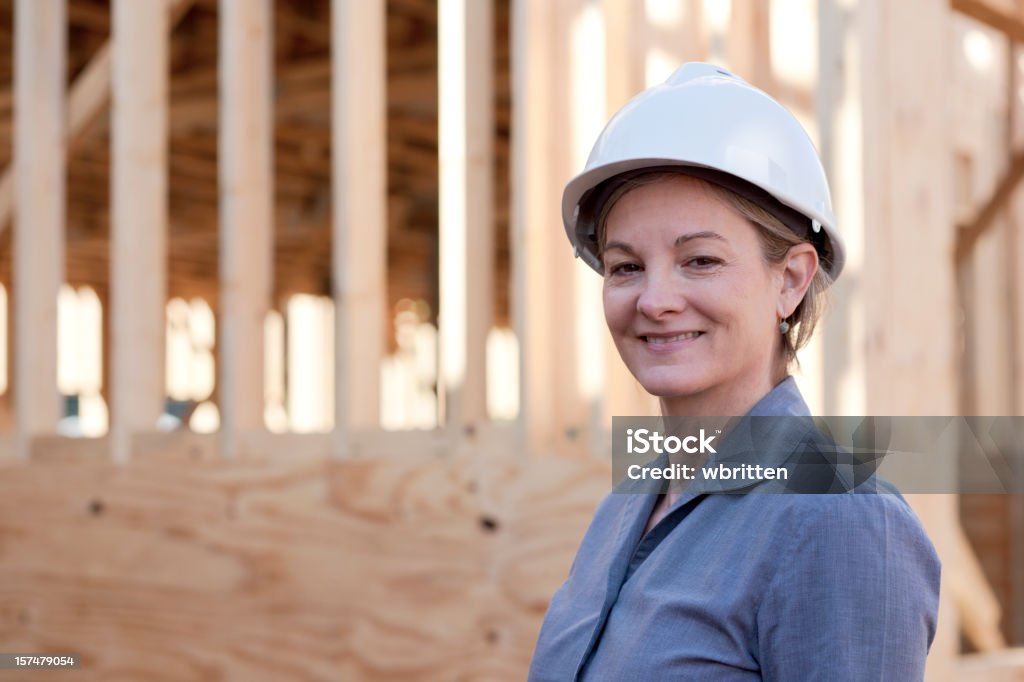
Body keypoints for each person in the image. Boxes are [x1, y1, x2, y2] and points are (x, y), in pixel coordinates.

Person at [527, 63, 941, 681]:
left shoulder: (840, 519)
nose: (654, 300)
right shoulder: (629, 501)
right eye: (625, 266)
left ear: (791, 280)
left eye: (699, 260)